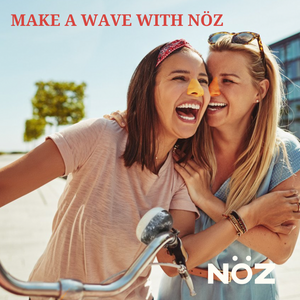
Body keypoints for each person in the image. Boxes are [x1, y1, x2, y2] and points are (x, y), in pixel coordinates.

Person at [0, 39, 210, 300]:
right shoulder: (100, 135)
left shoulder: (182, 173)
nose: (197, 90)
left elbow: (171, 261)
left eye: (203, 81)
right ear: (148, 90)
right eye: (180, 77)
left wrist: (243, 219)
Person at [106, 32, 300, 300]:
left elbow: (281, 250)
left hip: (255, 292)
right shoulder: (182, 144)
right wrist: (129, 119)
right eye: (209, 79)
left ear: (260, 90)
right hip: (183, 292)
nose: (211, 91)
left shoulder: (286, 153)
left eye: (229, 81)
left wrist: (209, 203)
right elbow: (174, 259)